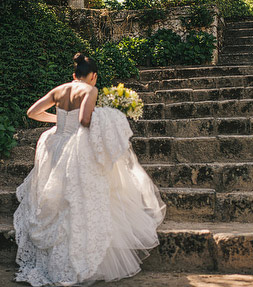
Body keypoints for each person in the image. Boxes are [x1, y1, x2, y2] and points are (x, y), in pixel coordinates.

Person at [13, 53, 166, 286]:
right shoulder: (90, 90)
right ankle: (79, 257)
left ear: (74, 75)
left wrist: (57, 121)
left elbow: (32, 112)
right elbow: (85, 120)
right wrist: (109, 116)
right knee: (81, 200)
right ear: (93, 76)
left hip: (56, 146)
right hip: (76, 148)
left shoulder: (59, 90)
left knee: (60, 201)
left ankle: (54, 257)